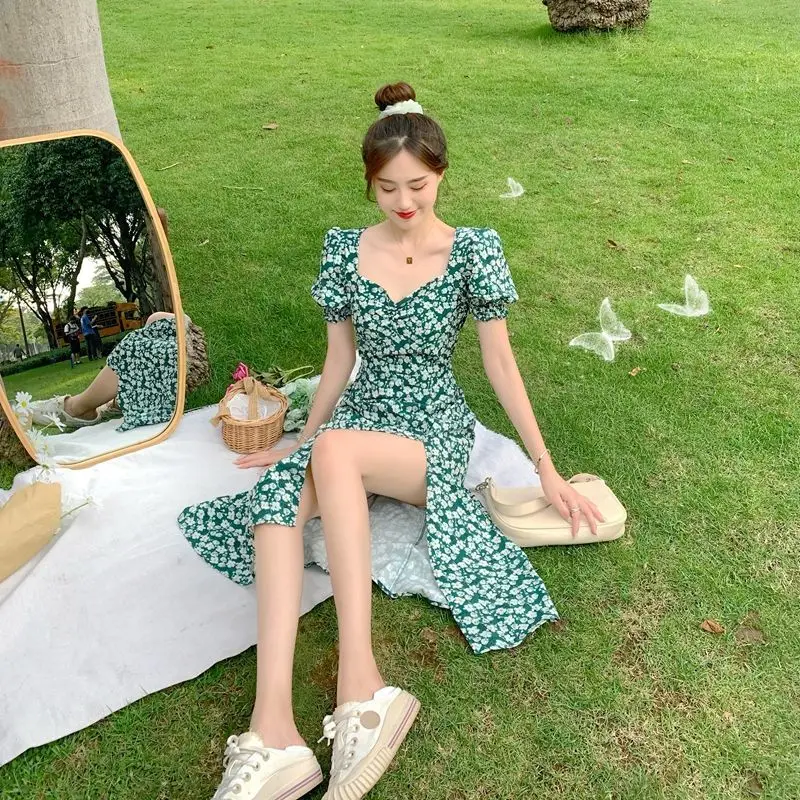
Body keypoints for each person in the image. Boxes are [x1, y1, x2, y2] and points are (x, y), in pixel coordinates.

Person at [177, 82, 604, 800]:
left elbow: (500, 363)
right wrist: (299, 441)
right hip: (362, 412)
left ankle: (363, 687)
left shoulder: (472, 251)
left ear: (441, 175)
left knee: (335, 452)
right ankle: (272, 729)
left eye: (418, 186)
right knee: (280, 492)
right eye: (387, 188)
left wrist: (546, 467)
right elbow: (338, 362)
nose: (404, 202)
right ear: (368, 184)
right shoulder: (345, 251)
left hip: (430, 425)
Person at [28, 311, 184, 432]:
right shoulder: (81, 321)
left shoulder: (83, 320)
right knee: (157, 320)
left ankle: (77, 409)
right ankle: (122, 401)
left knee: (148, 345)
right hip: (86, 335)